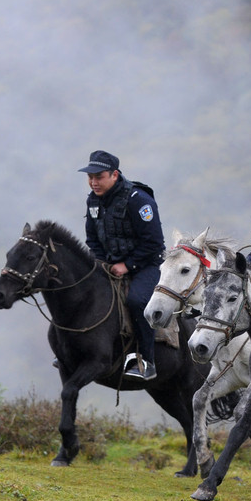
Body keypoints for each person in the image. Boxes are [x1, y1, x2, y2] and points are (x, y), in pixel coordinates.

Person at [79, 150, 165, 380]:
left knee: (137, 301)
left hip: (147, 264)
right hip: (109, 264)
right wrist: (101, 263)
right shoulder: (93, 200)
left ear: (114, 174)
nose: (93, 182)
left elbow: (155, 243)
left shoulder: (139, 200)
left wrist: (127, 265)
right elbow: (92, 239)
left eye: (99, 176)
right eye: (90, 177)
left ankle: (147, 361)